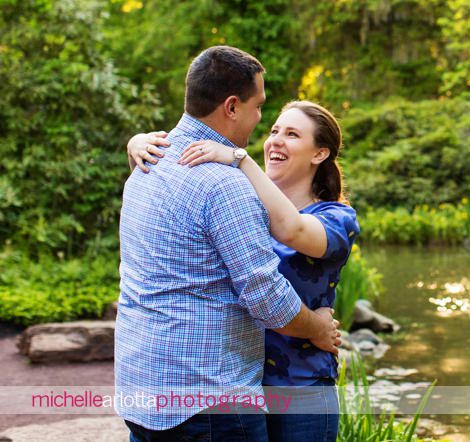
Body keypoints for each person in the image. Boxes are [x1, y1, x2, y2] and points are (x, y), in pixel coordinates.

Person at [116, 46, 341, 442]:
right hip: (207, 401)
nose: (260, 120)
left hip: (142, 388)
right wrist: (317, 328)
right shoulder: (223, 185)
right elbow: (267, 299)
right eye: (259, 107)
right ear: (232, 107)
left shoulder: (147, 164)